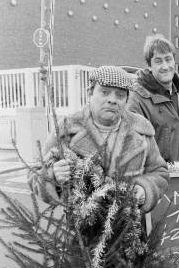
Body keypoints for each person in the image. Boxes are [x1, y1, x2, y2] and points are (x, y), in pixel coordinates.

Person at [29, 65, 169, 213]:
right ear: (90, 93)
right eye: (105, 92)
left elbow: (160, 172)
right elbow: (34, 175)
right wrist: (52, 175)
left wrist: (145, 189)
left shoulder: (141, 129)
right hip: (82, 230)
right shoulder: (66, 129)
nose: (112, 100)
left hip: (131, 227)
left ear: (127, 100)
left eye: (120, 95)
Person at [127, 35, 179, 162]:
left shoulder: (177, 97)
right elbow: (133, 151)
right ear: (149, 66)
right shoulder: (137, 101)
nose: (165, 66)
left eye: (168, 59)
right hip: (157, 179)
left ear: (174, 61)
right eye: (158, 61)